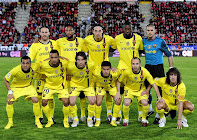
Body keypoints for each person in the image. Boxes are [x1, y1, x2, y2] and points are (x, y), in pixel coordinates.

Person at [143, 24, 174, 124]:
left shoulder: (160, 41)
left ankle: (158, 114)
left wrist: (171, 69)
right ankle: (150, 109)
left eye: (152, 30)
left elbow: (169, 55)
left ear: (155, 31)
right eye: (148, 30)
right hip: (148, 68)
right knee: (147, 89)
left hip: (158, 68)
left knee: (160, 92)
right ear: (146, 31)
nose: (150, 32)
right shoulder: (143, 41)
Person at [117, 57, 162, 127]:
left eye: (137, 64)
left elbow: (154, 84)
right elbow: (119, 81)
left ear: (140, 64)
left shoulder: (145, 72)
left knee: (145, 102)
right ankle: (125, 119)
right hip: (129, 90)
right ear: (131, 64)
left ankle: (143, 119)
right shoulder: (126, 72)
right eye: (133, 64)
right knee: (126, 102)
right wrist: (118, 92)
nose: (135, 66)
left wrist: (159, 97)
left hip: (140, 90)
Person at [83, 25, 115, 122]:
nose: (97, 33)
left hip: (105, 70)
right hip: (92, 71)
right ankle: (92, 114)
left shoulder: (108, 39)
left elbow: (116, 45)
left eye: (99, 31)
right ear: (92, 31)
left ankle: (109, 114)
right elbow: (83, 50)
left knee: (108, 91)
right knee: (92, 93)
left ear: (102, 31)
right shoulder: (87, 40)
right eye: (95, 31)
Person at [114, 22, 144, 123]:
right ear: (122, 29)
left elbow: (141, 50)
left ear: (131, 29)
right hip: (122, 68)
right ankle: (118, 115)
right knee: (120, 93)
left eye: (129, 28)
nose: (127, 30)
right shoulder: (117, 38)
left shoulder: (138, 38)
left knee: (138, 90)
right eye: (125, 29)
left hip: (135, 69)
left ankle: (141, 115)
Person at [56, 25, 86, 123]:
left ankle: (83, 115)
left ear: (74, 30)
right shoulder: (59, 41)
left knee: (82, 94)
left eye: (70, 29)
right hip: (65, 73)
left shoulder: (80, 41)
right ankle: (70, 115)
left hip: (78, 71)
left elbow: (86, 51)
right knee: (68, 95)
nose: (69, 31)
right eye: (67, 30)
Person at [28, 26, 58, 124]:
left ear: (49, 33)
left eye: (46, 32)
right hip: (40, 75)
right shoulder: (35, 45)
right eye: (42, 32)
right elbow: (29, 58)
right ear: (40, 34)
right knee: (39, 96)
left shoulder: (55, 44)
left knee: (50, 97)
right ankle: (40, 115)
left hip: (51, 75)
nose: (44, 34)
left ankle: (51, 116)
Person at [4, 56, 42, 129]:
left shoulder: (34, 67)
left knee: (35, 99)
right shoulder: (15, 70)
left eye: (27, 63)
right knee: (9, 101)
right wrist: (10, 92)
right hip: (16, 87)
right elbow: (5, 79)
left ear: (30, 64)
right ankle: (10, 122)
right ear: (21, 63)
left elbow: (42, 64)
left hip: (28, 87)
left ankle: (37, 121)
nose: (25, 65)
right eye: (23, 63)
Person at [39, 50, 69, 128]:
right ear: (49, 58)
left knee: (66, 102)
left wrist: (62, 57)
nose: (54, 59)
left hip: (61, 86)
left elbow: (70, 61)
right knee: (44, 102)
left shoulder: (64, 64)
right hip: (49, 86)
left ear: (59, 57)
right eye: (52, 57)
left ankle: (65, 120)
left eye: (56, 57)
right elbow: (36, 67)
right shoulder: (44, 65)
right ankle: (50, 120)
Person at [67, 52, 95, 127]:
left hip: (88, 86)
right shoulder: (71, 66)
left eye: (82, 60)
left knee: (92, 101)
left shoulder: (91, 65)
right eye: (78, 60)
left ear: (85, 60)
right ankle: (75, 120)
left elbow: (99, 69)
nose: (80, 62)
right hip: (75, 86)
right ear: (76, 60)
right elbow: (67, 75)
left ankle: (89, 119)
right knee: (72, 102)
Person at [93, 61, 121, 127]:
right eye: (104, 69)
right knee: (98, 102)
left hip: (111, 87)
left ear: (110, 69)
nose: (106, 71)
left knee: (118, 100)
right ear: (101, 69)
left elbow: (121, 75)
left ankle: (113, 120)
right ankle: (98, 120)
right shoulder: (96, 72)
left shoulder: (115, 73)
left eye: (108, 69)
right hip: (101, 87)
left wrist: (118, 92)